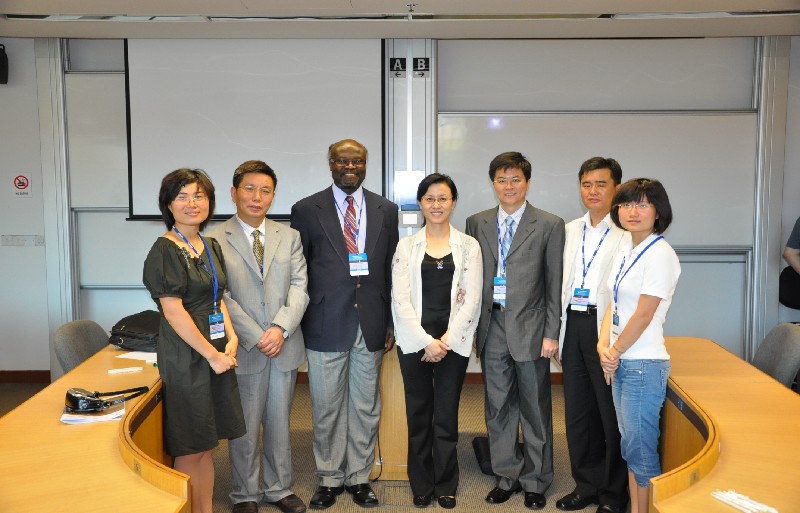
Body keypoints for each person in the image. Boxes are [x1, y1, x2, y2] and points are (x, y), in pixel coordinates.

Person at [290, 139, 399, 509]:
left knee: (366, 406)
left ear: (365, 164)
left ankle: (359, 477)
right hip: (325, 321)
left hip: (371, 321)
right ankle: (329, 478)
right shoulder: (306, 209)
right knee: (327, 407)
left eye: (358, 161)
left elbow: (390, 269)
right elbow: (299, 271)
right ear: (330, 164)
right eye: (342, 161)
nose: (350, 167)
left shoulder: (386, 209)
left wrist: (390, 321)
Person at [465, 151, 565, 510]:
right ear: (493, 183)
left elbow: (554, 283)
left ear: (528, 182)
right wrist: (471, 330)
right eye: (501, 180)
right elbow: (471, 280)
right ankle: (506, 476)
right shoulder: (477, 222)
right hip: (491, 326)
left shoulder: (550, 224)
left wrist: (552, 333)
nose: (508, 186)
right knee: (498, 407)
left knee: (535, 407)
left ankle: (536, 480)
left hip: (532, 329)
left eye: (515, 179)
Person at [208, 161, 310, 513]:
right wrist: (257, 334)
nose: (257, 197)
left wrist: (280, 328)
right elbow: (220, 295)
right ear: (233, 192)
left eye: (265, 191)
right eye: (249, 189)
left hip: (283, 344)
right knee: (246, 426)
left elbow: (299, 287)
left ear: (273, 196)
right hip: (244, 346)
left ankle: (279, 488)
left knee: (280, 423)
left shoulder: (290, 236)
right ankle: (245, 493)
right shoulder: (214, 239)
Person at [142, 168, 245, 513]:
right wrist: (212, 355)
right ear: (168, 204)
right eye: (182, 196)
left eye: (198, 196)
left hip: (215, 349)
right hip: (187, 355)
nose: (192, 203)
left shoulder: (209, 244)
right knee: (189, 446)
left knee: (206, 444)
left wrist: (231, 337)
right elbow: (174, 312)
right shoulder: (164, 250)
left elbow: (217, 298)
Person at [391, 173, 483, 510]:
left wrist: (444, 341)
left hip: (453, 343)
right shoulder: (407, 246)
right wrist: (425, 341)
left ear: (453, 202)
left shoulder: (469, 246)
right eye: (429, 198)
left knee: (445, 415)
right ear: (420, 203)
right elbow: (399, 299)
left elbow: (472, 299)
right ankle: (420, 483)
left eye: (443, 198)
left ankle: (445, 483)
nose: (436, 205)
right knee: (418, 413)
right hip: (414, 342)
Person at [598, 178, 681, 513]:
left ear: (658, 212)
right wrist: (603, 345)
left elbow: (644, 314)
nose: (633, 211)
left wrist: (614, 352)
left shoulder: (660, 254)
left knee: (642, 452)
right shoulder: (626, 250)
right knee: (630, 449)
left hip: (643, 365)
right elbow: (613, 303)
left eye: (643, 204)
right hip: (621, 361)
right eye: (626, 204)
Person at [556, 158, 630, 513]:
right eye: (586, 184)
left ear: (617, 188)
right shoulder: (569, 230)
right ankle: (585, 484)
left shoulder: (628, 233)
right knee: (578, 411)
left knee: (609, 411)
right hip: (573, 324)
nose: (593, 191)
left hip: (607, 329)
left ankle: (613, 494)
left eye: (601, 184)